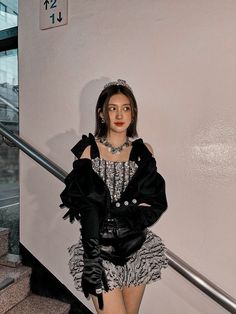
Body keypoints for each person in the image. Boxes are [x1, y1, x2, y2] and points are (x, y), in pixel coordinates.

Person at [60, 79, 168, 314]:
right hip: (98, 252)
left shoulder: (144, 151)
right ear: (101, 113)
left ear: (133, 113)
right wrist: (91, 260)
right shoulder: (89, 150)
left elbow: (153, 204)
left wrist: (110, 210)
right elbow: (87, 207)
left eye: (126, 108)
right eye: (112, 108)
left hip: (137, 249)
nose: (120, 114)